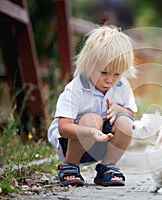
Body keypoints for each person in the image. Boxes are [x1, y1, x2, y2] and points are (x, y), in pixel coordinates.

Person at [47, 26, 137, 187]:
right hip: (72, 143)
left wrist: (120, 110)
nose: (110, 80)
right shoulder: (77, 88)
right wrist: (89, 131)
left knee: (126, 122)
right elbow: (63, 128)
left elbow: (132, 115)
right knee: (92, 119)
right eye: (104, 73)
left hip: (104, 143)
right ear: (89, 64)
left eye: (117, 74)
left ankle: (107, 167)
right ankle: (70, 166)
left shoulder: (122, 86)